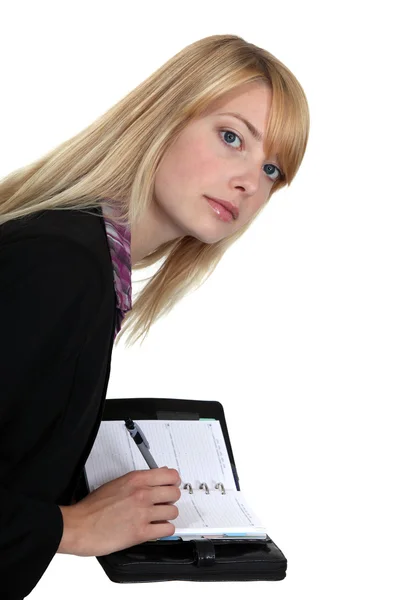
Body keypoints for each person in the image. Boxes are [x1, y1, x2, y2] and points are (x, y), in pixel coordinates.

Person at [0, 34, 310, 598]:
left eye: (271, 169)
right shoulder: (62, 265)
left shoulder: (88, 258)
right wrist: (73, 527)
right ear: (164, 116)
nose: (249, 181)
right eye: (230, 136)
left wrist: (76, 460)